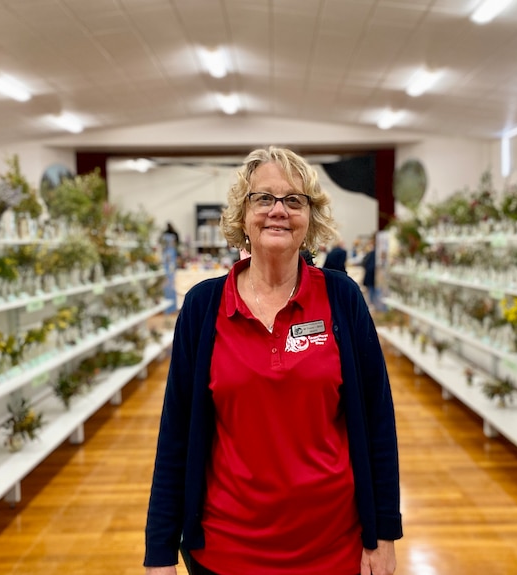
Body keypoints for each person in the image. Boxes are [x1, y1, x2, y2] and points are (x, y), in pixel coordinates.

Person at [144, 147, 402, 575]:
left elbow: (377, 421)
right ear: (242, 215)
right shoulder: (204, 308)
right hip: (227, 552)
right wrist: (159, 552)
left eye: (293, 200)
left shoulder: (341, 299)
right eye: (263, 198)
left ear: (310, 217)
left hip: (334, 549)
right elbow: (175, 433)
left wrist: (385, 533)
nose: (278, 210)